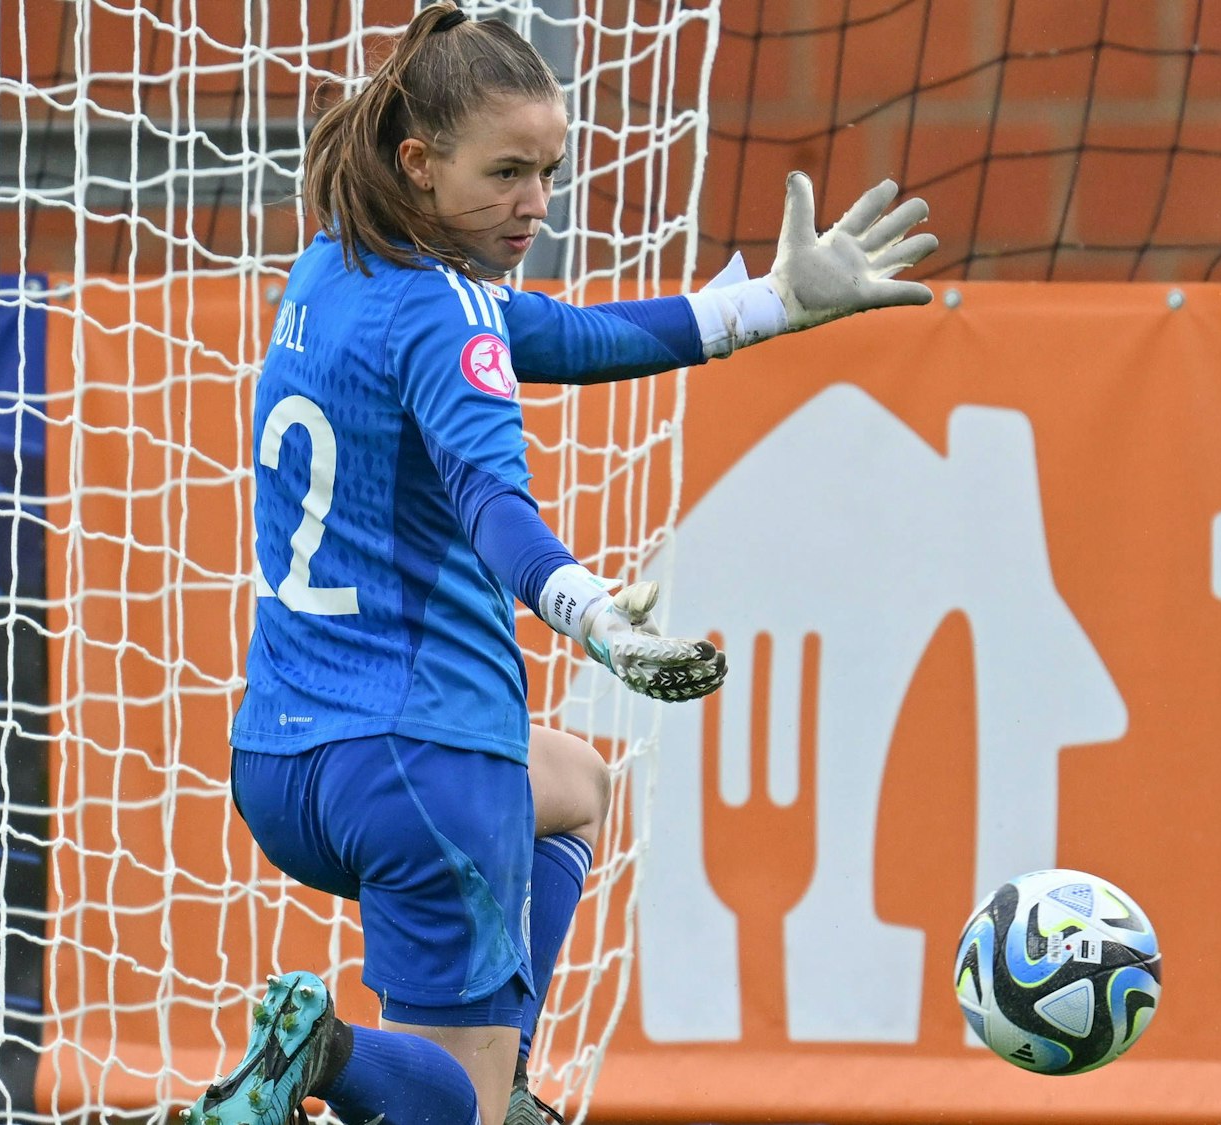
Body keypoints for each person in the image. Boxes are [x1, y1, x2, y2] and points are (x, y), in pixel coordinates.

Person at [185, 4, 936, 1124]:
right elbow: (493, 503)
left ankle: (500, 1079)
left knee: (578, 788)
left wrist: (773, 302)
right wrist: (592, 616)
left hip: (284, 763)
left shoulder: (333, 267)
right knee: (455, 1117)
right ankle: (330, 1051)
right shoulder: (449, 321)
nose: (535, 203)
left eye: (548, 170)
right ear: (418, 164)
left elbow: (577, 337)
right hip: (421, 767)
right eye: (506, 173)